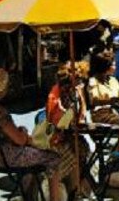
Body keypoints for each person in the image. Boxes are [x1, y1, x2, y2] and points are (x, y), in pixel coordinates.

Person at [0, 68, 62, 201]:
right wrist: (24, 132)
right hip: (8, 157)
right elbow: (20, 140)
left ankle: (29, 196)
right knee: (53, 158)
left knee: (34, 157)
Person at [46, 62, 90, 197]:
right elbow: (64, 120)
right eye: (80, 79)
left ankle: (77, 188)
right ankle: (76, 189)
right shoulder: (65, 93)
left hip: (67, 136)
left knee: (82, 147)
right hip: (59, 139)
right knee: (78, 149)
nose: (82, 82)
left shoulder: (72, 91)